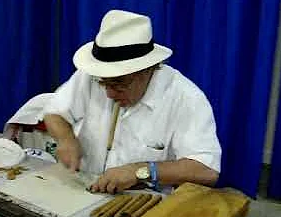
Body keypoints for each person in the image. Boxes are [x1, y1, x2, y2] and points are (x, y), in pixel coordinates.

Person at [43, 10, 221, 194]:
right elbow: (54, 113)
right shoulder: (93, 74)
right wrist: (66, 139)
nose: (109, 94)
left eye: (119, 83)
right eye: (103, 83)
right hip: (86, 187)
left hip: (141, 202)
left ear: (147, 70)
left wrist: (141, 171)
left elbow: (206, 171)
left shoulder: (185, 98)